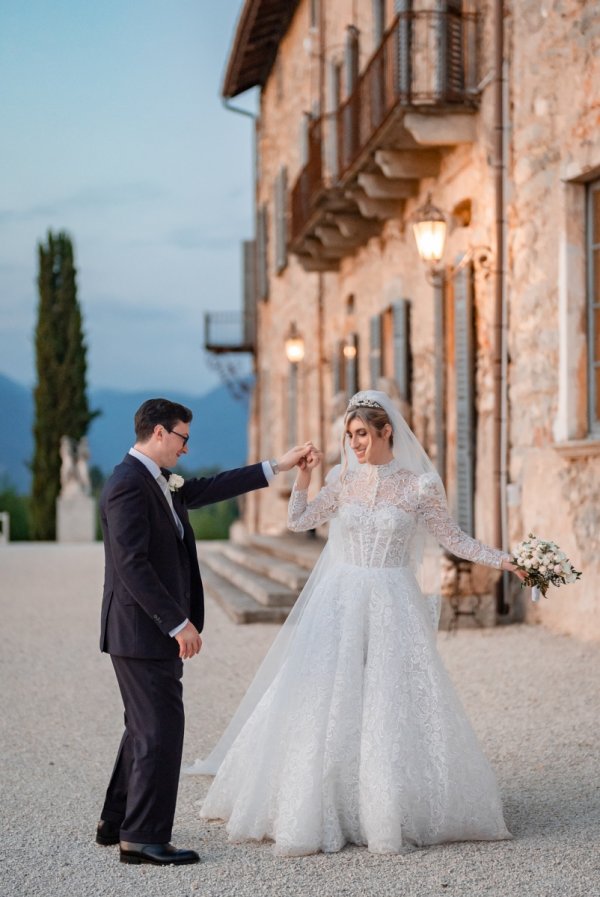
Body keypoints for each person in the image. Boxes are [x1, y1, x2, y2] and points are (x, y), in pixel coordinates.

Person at [190, 390, 525, 856]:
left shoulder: (418, 487)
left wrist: (509, 561)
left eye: (362, 434)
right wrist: (304, 476)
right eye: (350, 436)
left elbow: (455, 539)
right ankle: (326, 800)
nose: (356, 444)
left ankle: (383, 805)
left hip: (392, 599)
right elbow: (299, 521)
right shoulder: (341, 478)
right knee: (328, 695)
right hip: (341, 599)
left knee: (387, 699)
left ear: (388, 431)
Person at [96, 397, 310, 866]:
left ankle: (118, 820)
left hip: (142, 632)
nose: (186, 449)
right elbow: (132, 566)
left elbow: (210, 487)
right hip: (142, 631)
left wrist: (278, 466)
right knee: (160, 729)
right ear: (158, 433)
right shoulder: (128, 486)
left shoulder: (158, 481)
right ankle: (143, 839)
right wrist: (177, 623)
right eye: (182, 438)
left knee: (142, 727)